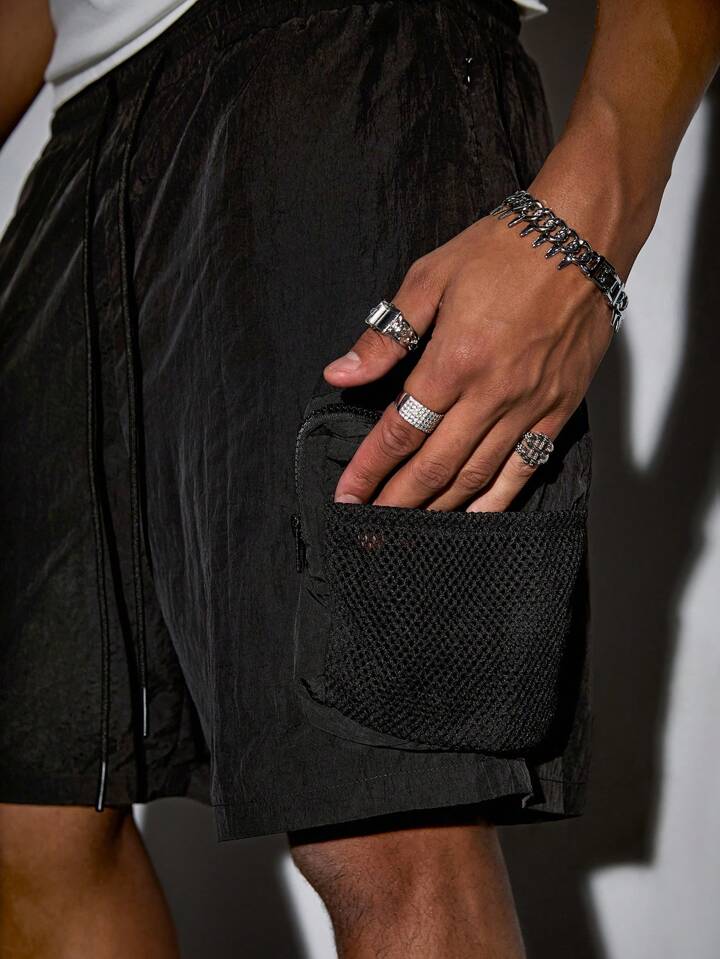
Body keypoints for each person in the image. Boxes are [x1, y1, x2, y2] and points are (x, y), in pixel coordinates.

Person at [0, 0, 718, 955]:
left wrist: (588, 227)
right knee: (28, 823)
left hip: (346, 74)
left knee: (385, 825)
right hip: (78, 163)